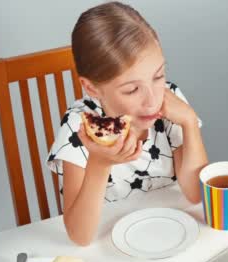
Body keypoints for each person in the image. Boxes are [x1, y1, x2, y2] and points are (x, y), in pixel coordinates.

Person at [47, 2, 208, 246]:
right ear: (91, 88)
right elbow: (80, 236)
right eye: (132, 89)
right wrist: (100, 163)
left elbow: (196, 194)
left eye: (158, 76)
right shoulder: (78, 128)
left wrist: (189, 122)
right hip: (110, 251)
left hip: (171, 235)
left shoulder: (170, 103)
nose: (152, 99)